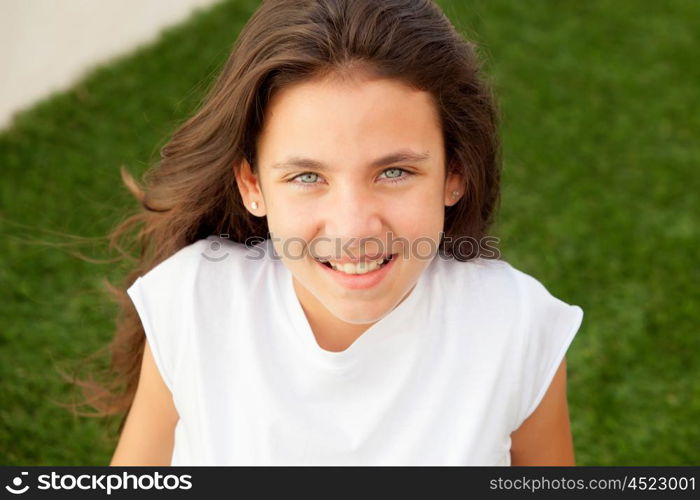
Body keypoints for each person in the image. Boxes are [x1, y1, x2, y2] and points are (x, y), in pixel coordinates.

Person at [103, 0, 584, 465]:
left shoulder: (516, 326)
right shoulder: (193, 303)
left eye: (394, 171)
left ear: (454, 172)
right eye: (307, 177)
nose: (354, 228)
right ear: (253, 185)